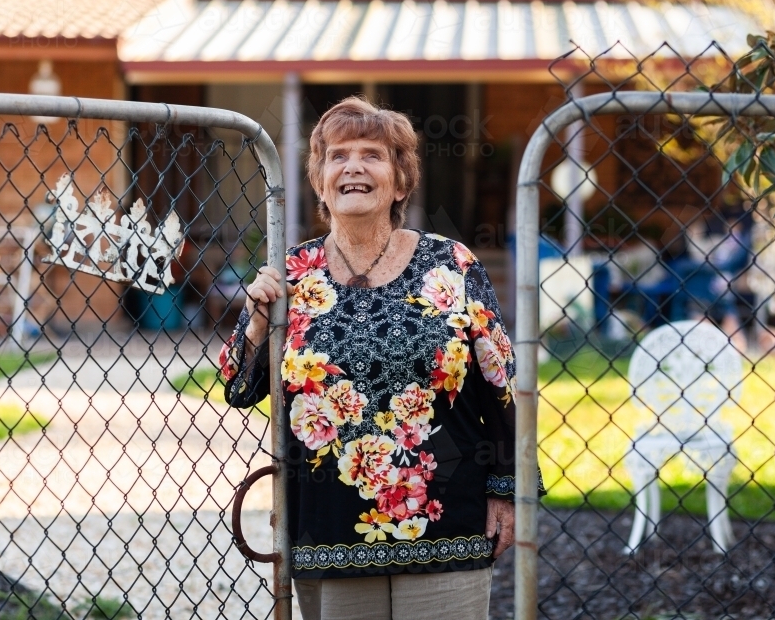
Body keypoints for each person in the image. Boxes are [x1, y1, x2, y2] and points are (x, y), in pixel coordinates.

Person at [220, 97, 543, 620]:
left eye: (372, 155)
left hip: (446, 521)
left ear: (399, 181)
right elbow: (238, 388)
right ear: (321, 181)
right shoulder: (293, 272)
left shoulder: (453, 265)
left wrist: (507, 492)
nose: (353, 167)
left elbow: (501, 386)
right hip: (330, 528)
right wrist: (258, 321)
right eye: (337, 156)